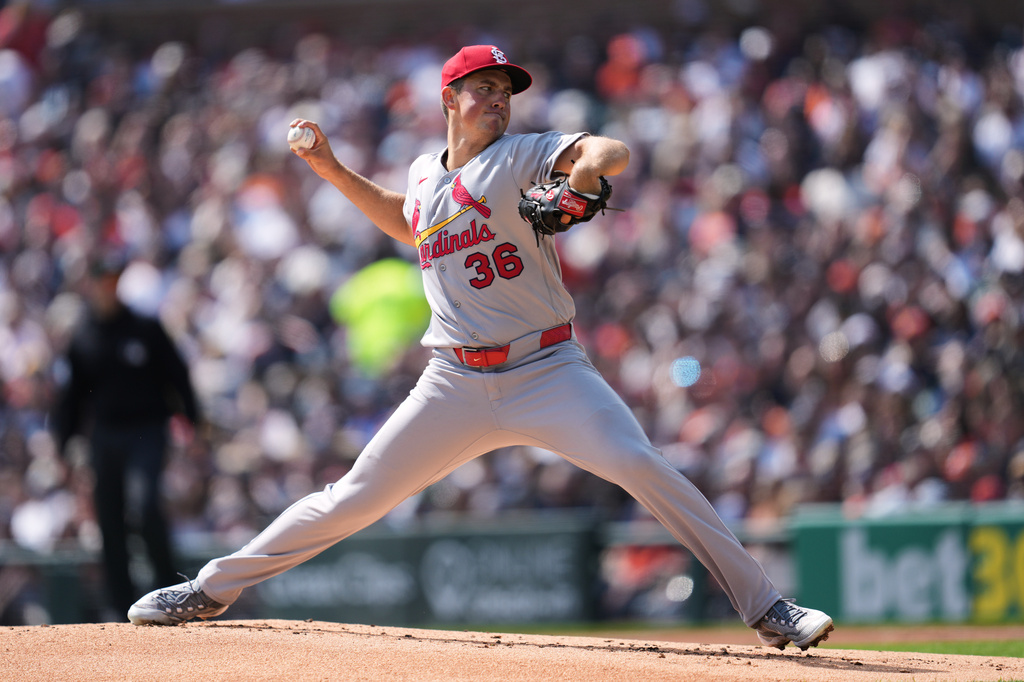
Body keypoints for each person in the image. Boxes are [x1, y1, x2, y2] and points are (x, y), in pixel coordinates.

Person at [128, 44, 834, 650]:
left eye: (506, 92)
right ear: (449, 99)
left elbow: (605, 150)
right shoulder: (423, 175)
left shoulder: (520, 157)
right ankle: (208, 589)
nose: (499, 101)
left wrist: (579, 182)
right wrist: (332, 169)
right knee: (349, 501)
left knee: (640, 466)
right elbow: (412, 227)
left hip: (548, 368)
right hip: (454, 383)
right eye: (485, 90)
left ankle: (769, 607)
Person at [53, 250, 201, 620]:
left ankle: (169, 592)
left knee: (146, 506)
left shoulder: (145, 329)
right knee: (109, 519)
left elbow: (177, 375)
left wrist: (193, 422)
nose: (109, 287)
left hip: (147, 431)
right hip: (104, 436)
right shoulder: (84, 335)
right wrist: (62, 445)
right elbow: (72, 396)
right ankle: (121, 607)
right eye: (104, 280)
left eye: (115, 279)